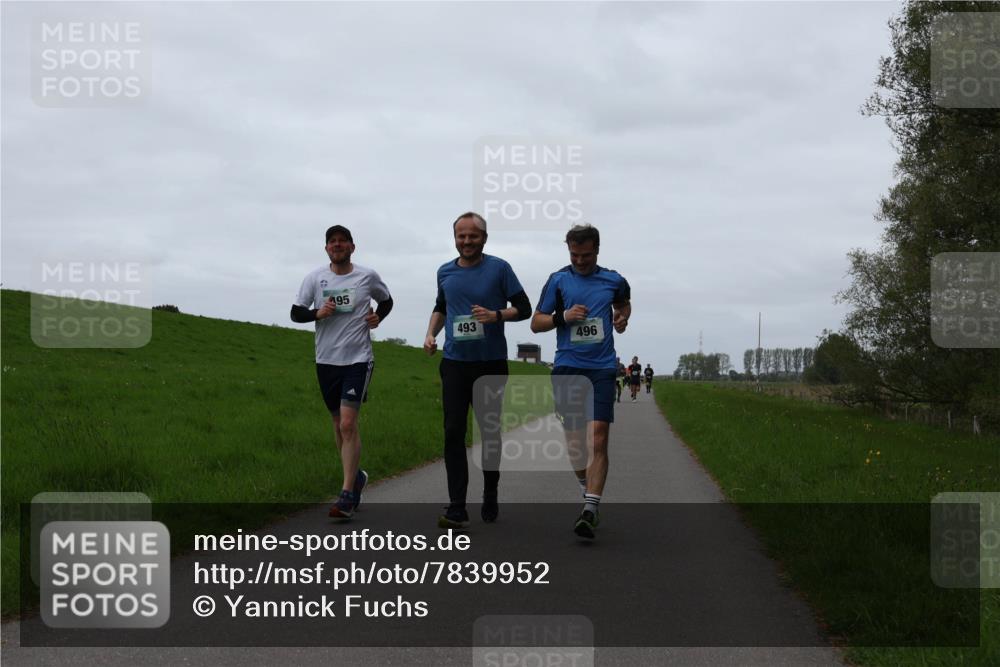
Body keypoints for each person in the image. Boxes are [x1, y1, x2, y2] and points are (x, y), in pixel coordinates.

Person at [424, 212, 532, 529]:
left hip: (490, 364)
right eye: (461, 236)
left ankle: (490, 490)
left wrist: (496, 315)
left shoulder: (499, 268)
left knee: (488, 435)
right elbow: (441, 307)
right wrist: (431, 333)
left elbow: (524, 309)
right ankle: (457, 506)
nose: (467, 241)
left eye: (473, 236)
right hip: (455, 362)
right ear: (454, 238)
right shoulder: (445, 271)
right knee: (453, 431)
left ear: (484, 238)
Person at [531, 224, 631, 539]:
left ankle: (590, 509)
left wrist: (622, 317)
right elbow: (536, 323)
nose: (580, 261)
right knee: (576, 445)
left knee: (598, 437)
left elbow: (623, 304)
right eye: (574, 255)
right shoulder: (558, 280)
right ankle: (588, 488)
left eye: (586, 255)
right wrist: (563, 317)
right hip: (568, 368)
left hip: (601, 368)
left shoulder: (614, 280)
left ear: (597, 250)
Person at [291, 225, 393, 519]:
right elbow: (296, 312)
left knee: (348, 424)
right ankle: (357, 477)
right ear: (326, 249)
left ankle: (347, 493)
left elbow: (386, 300)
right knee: (338, 425)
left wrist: (378, 317)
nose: (337, 246)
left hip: (358, 359)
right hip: (326, 360)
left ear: (352, 246)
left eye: (342, 242)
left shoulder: (367, 276)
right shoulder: (315, 278)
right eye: (332, 242)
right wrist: (316, 313)